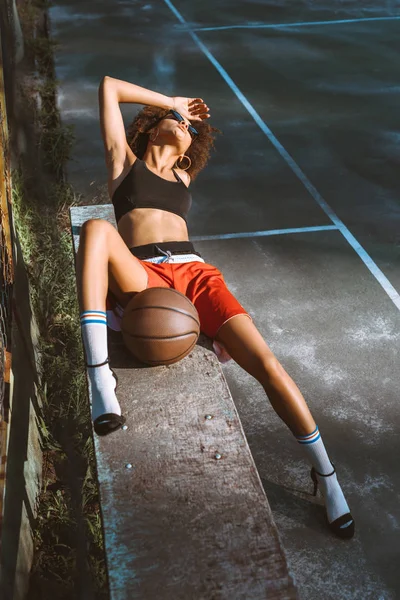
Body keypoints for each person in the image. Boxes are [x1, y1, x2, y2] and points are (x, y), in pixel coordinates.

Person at [76, 76, 355, 539]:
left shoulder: (182, 175)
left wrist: (177, 115)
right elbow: (108, 87)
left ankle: (326, 476)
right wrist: (170, 100)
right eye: (174, 118)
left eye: (187, 123)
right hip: (142, 274)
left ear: (188, 151)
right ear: (148, 129)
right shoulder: (122, 163)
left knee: (267, 363)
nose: (183, 123)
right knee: (97, 230)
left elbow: (182, 143)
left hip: (194, 275)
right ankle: (99, 377)